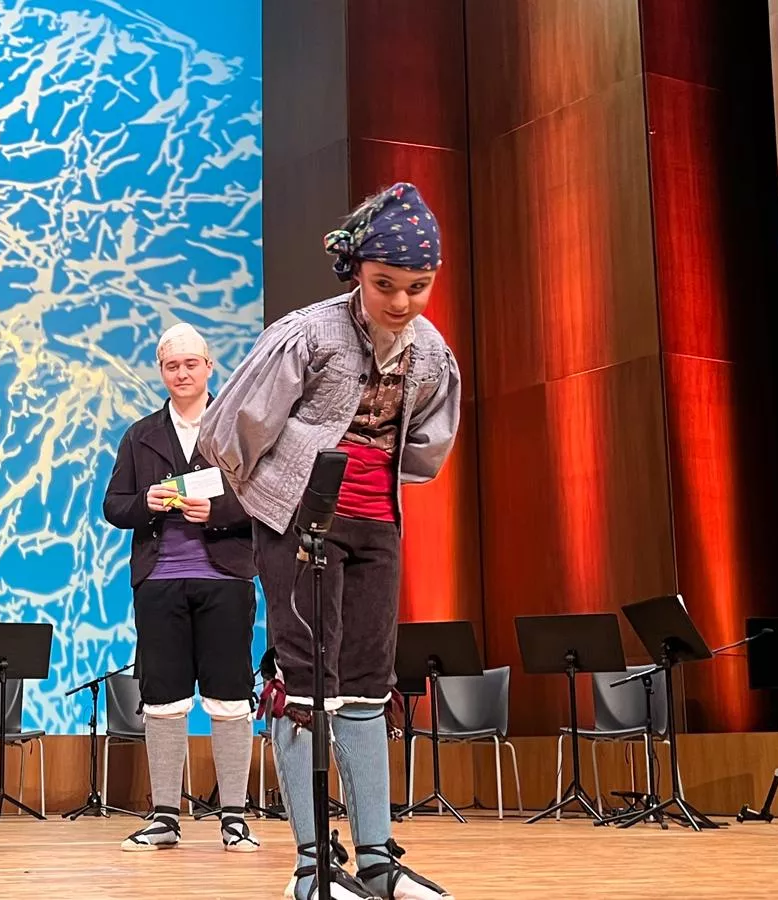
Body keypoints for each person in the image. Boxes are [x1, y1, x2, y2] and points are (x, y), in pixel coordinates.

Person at [198, 183, 461, 900]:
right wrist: (272, 500)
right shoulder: (310, 334)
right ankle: (313, 864)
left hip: (378, 524)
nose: (401, 302)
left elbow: (427, 444)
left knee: (370, 686)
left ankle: (377, 859)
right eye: (385, 285)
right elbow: (231, 429)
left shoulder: (430, 351)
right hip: (302, 525)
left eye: (417, 287)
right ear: (357, 273)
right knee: (305, 687)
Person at [102, 323, 261, 854]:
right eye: (172, 365)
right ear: (161, 369)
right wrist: (143, 502)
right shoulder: (140, 434)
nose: (182, 373)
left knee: (230, 698)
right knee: (163, 700)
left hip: (225, 581)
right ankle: (164, 816)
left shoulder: (237, 429)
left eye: (191, 364)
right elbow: (113, 506)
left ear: (209, 366)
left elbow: (264, 502)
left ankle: (234, 817)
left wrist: (215, 515)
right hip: (159, 583)